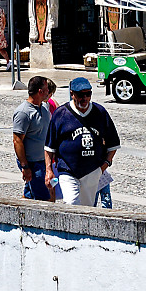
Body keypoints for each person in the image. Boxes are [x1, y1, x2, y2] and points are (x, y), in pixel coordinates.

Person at [45, 77, 120, 207]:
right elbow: (49, 147)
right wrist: (49, 170)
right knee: (71, 203)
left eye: (88, 94)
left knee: (87, 208)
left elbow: (113, 143)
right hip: (67, 170)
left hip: (92, 171)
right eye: (80, 95)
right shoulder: (61, 114)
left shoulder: (100, 112)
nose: (85, 98)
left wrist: (104, 166)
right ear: (72, 94)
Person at [12, 76, 58, 200]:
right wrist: (25, 166)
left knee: (29, 194)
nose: (49, 92)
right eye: (47, 89)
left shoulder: (45, 108)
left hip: (44, 161)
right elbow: (17, 141)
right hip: (32, 163)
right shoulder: (23, 112)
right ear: (40, 91)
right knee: (44, 198)